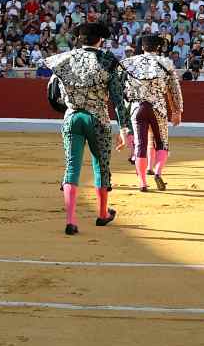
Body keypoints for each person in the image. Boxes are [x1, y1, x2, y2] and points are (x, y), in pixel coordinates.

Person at [44, 21, 130, 236]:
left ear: (78, 39)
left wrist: (67, 105)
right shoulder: (108, 61)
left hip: (72, 117)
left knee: (72, 166)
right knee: (100, 166)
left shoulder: (63, 60)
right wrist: (124, 128)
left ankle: (71, 221)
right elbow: (119, 99)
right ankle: (102, 214)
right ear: (101, 40)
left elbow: (52, 94)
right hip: (97, 118)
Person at [121, 35, 184, 192]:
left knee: (140, 144)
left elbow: (121, 88)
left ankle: (142, 182)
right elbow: (175, 89)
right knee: (162, 142)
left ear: (142, 47)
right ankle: (157, 172)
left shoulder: (128, 63)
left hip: (137, 108)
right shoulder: (166, 63)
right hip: (158, 108)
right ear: (158, 48)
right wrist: (177, 110)